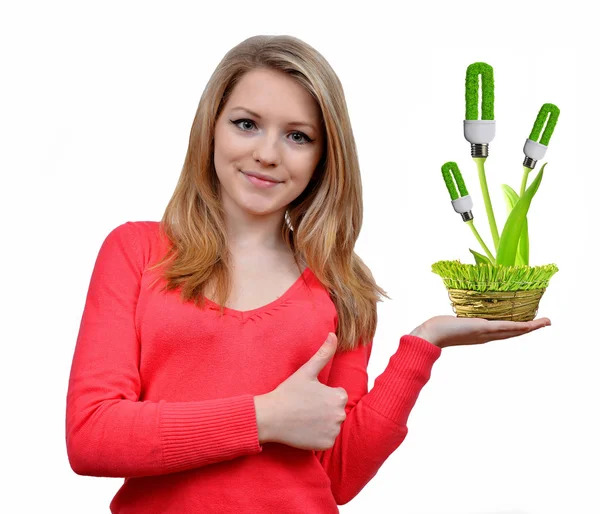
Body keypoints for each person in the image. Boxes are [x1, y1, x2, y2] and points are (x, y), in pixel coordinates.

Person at [65, 34, 551, 513]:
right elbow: (91, 437)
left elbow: (338, 475)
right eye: (246, 124)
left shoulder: (341, 284)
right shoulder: (137, 251)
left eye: (298, 136)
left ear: (323, 157)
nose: (268, 154)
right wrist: (264, 419)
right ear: (210, 127)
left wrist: (424, 344)